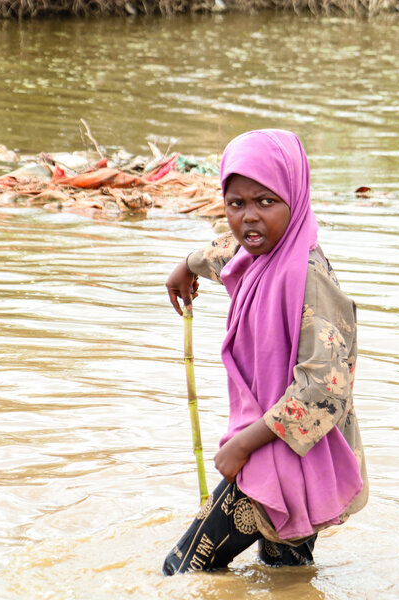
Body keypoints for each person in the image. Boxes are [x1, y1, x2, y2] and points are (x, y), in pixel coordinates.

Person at [162, 129, 367, 575]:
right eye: (237, 204)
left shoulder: (310, 279)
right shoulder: (262, 253)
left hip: (281, 453)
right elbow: (228, 253)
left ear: (294, 197)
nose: (249, 218)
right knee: (286, 576)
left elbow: (323, 392)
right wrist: (186, 265)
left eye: (266, 202)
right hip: (287, 452)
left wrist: (241, 446)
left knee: (182, 569)